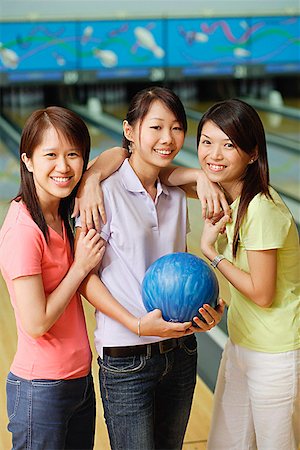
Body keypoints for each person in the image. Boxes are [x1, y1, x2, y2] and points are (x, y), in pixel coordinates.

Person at [75, 86, 225, 450]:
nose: (167, 138)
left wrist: (208, 310)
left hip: (181, 350)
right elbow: (85, 279)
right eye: (155, 127)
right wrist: (137, 324)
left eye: (176, 128)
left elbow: (181, 270)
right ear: (130, 131)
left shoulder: (177, 192)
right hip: (127, 359)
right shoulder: (102, 192)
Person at [0, 106, 117, 450]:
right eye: (50, 155)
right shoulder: (23, 230)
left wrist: (92, 179)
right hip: (40, 390)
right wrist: (79, 268)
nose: (63, 166)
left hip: (78, 381)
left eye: (73, 155)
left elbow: (119, 153)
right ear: (28, 160)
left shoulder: (61, 212)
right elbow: (36, 323)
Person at [195, 99, 299, 450]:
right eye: (207, 142)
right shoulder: (234, 203)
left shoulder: (261, 209)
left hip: (276, 354)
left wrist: (211, 253)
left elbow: (262, 292)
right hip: (242, 346)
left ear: (253, 153)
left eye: (229, 145)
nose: (215, 154)